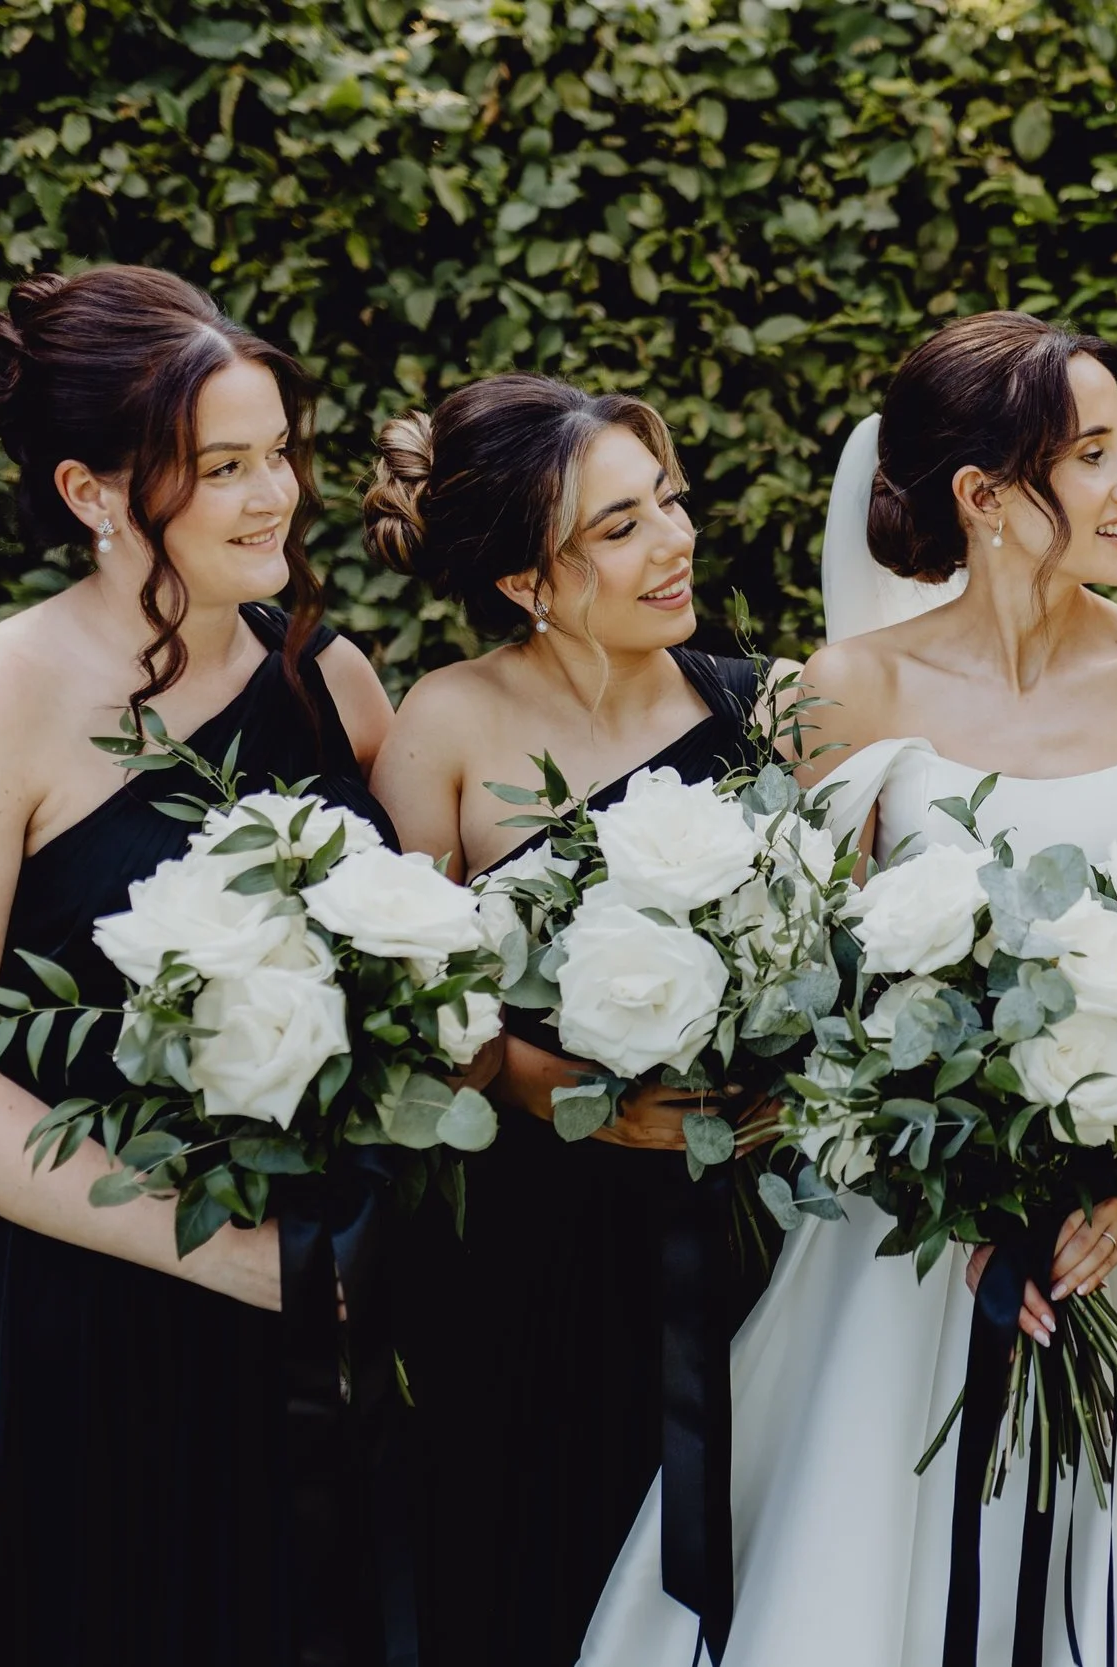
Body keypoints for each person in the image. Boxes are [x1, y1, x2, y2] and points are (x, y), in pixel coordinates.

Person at [580, 311, 1117, 1667]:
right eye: (1094, 454)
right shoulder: (847, 689)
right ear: (985, 494)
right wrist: (952, 1181)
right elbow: (805, 985)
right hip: (908, 1233)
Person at [0, 266, 396, 1666]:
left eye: (279, 452)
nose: (275, 495)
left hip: (322, 1292)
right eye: (222, 467)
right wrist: (228, 1254)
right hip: (83, 1306)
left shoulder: (330, 679)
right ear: (91, 490)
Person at [362, 373, 774, 1664]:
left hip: (752, 1229)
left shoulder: (766, 710)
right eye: (621, 527)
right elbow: (409, 1005)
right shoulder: (447, 723)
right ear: (527, 581)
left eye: (669, 502)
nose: (674, 541)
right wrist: (550, 1088)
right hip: (531, 1246)